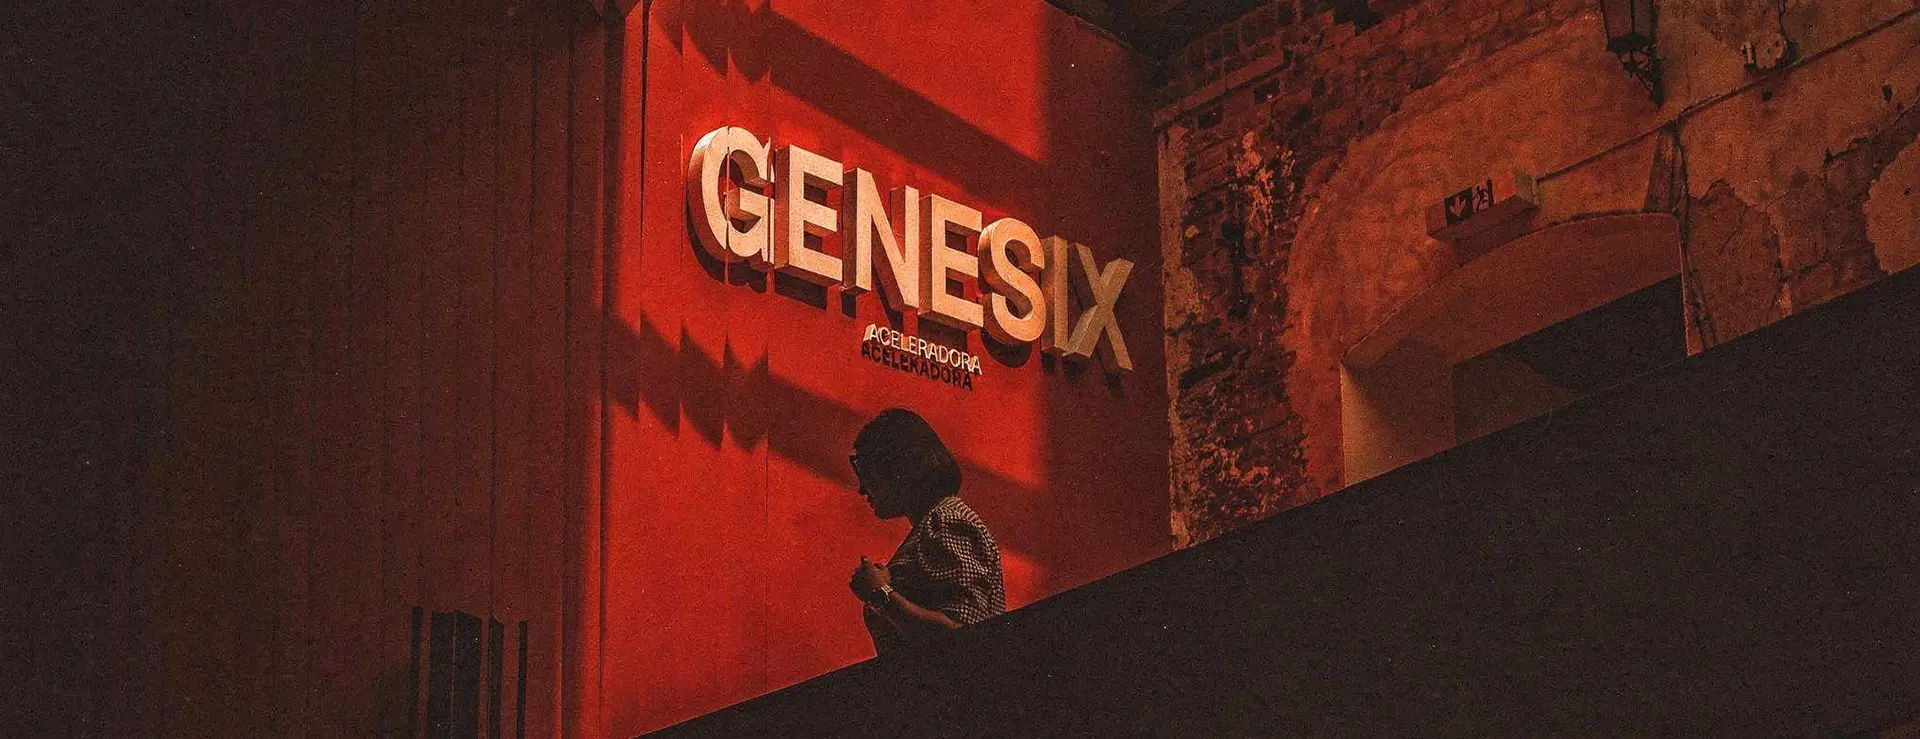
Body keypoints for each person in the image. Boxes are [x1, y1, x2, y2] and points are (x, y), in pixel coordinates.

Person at [846, 408, 1005, 654]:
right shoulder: (935, 525)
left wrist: (881, 593)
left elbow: (965, 635)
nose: (862, 489)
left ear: (900, 471)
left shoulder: (947, 521)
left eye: (869, 474)